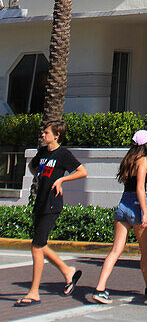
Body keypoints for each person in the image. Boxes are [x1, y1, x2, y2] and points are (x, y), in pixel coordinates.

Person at [15, 120, 88, 308]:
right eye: (43, 132)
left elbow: (82, 171)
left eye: (46, 133)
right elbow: (33, 167)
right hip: (40, 202)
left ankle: (34, 292)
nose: (43, 135)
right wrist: (38, 176)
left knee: (36, 247)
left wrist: (62, 180)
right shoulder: (42, 153)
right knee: (39, 244)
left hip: (52, 204)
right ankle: (68, 271)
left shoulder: (63, 154)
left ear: (56, 135)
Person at [91, 129, 147, 303]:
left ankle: (100, 288)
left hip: (123, 205)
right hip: (136, 207)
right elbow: (140, 188)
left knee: (115, 250)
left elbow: (131, 188)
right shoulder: (143, 161)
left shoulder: (129, 160)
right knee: (146, 253)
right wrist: (144, 212)